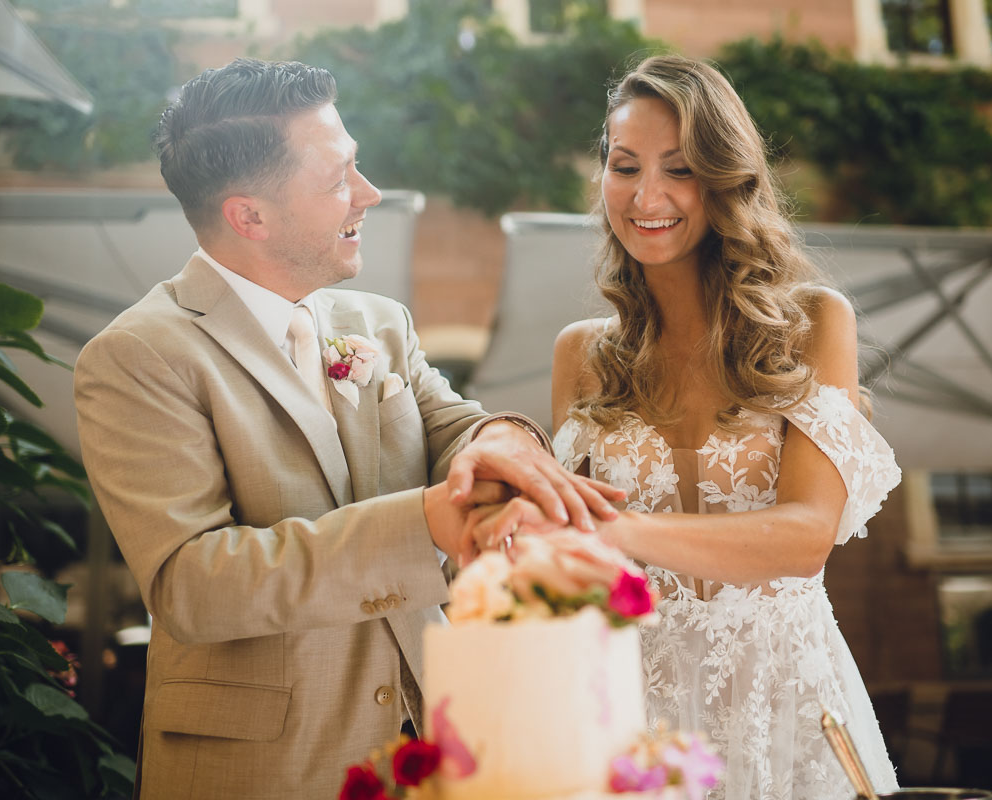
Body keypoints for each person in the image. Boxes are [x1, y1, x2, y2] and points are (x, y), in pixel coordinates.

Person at [73, 58, 619, 799]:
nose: (370, 193)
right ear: (250, 217)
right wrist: (424, 523)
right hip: (266, 771)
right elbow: (193, 586)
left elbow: (458, 428)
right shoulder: (138, 355)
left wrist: (503, 443)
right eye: (338, 179)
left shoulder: (379, 322)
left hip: (430, 751)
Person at [468, 55, 902, 799]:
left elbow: (805, 537)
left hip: (789, 713)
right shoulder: (581, 355)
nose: (647, 196)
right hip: (634, 719)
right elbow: (576, 567)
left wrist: (609, 527)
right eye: (625, 167)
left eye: (679, 169)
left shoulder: (813, 324)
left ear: (726, 178)